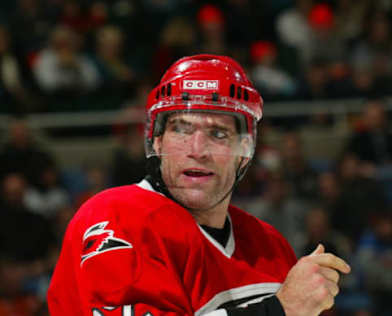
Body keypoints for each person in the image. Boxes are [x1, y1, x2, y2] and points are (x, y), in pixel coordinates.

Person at [47, 54, 351, 316]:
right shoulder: (116, 217)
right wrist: (279, 310)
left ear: (244, 152)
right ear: (157, 141)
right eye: (182, 130)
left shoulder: (269, 246)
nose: (197, 149)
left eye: (218, 134)